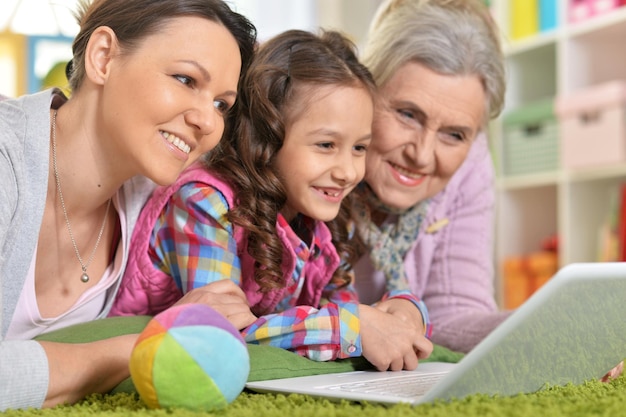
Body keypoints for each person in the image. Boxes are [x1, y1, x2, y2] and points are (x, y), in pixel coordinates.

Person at [110, 29, 433, 372]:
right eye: (326, 145)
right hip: (141, 368)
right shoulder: (204, 203)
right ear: (266, 139)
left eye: (359, 148)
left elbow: (345, 313)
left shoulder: (319, 220)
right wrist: (352, 326)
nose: (348, 172)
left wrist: (403, 312)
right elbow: (221, 333)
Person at [0, 0, 256, 410]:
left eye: (221, 104)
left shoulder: (154, 199)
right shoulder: (6, 158)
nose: (208, 123)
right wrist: (147, 344)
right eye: (186, 79)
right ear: (103, 57)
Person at [350, 0, 511, 354]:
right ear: (364, 87)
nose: (422, 155)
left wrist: (539, 332)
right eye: (408, 114)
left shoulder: (470, 165)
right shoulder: (308, 146)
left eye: (454, 135)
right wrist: (351, 323)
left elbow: (453, 312)